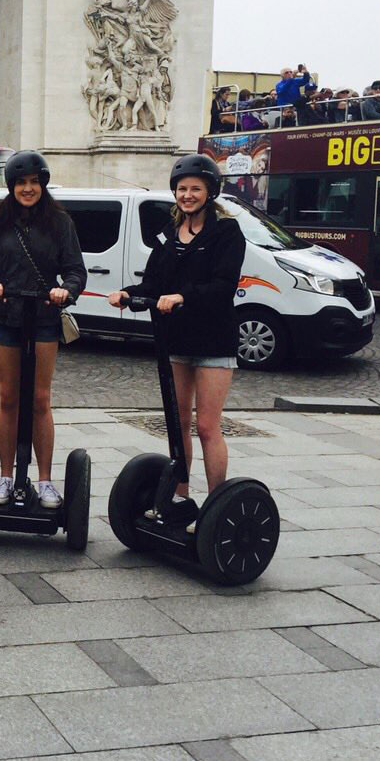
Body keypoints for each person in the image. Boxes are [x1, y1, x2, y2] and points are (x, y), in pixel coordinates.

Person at [107, 154, 243, 527]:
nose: (187, 195)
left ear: (210, 192)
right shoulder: (168, 237)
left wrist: (183, 296)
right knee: (178, 421)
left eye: (195, 189)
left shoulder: (226, 233)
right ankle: (180, 496)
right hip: (177, 339)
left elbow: (223, 285)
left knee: (206, 426)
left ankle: (217, 508)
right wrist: (128, 293)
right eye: (182, 189)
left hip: (214, 340)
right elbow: (154, 285)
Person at [0, 151, 87, 511]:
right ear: (11, 186)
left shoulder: (60, 222)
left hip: (43, 318)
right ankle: (6, 476)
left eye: (34, 182)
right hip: (6, 317)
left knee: (39, 399)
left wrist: (66, 289)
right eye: (21, 183)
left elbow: (75, 270)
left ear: (43, 184)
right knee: (8, 398)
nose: (28, 188)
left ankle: (45, 480)